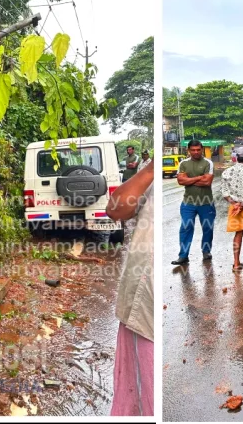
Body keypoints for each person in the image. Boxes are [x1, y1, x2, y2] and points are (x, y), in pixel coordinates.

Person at [106, 159, 154, 416]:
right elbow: (115, 210)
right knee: (139, 394)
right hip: (142, 306)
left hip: (150, 305)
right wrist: (151, 169)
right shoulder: (149, 172)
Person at [171, 140, 215, 265]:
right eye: (193, 150)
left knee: (207, 228)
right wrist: (200, 177)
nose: (196, 152)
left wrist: (189, 179)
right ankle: (183, 256)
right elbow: (181, 181)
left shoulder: (208, 163)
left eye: (198, 150)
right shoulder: (183, 163)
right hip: (188, 203)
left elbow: (207, 182)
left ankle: (206, 251)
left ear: (202, 149)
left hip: (206, 203)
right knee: (186, 228)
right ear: (189, 150)